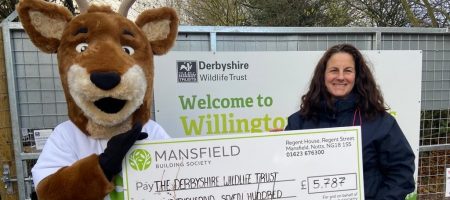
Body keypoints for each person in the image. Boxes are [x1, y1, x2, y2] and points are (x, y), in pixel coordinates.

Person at [285, 43, 415, 199]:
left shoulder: (381, 122)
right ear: (323, 76)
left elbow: (401, 172)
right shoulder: (299, 122)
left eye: (348, 70)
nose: (340, 77)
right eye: (334, 70)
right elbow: (286, 173)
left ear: (357, 76)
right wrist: (276, 147)